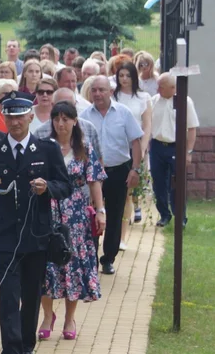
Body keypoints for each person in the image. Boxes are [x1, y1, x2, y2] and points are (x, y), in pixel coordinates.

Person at [0, 92, 71, 354]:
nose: (15, 121)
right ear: (4, 117)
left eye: (20, 115)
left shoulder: (47, 149)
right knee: (9, 297)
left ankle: (27, 345)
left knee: (31, 293)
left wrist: (47, 187)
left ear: (30, 116)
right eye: (10, 115)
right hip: (3, 238)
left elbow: (65, 186)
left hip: (36, 235)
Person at [38, 103, 105, 341]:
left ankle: (69, 318)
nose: (61, 123)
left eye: (66, 118)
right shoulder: (45, 147)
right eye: (56, 118)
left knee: (73, 264)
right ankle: (47, 316)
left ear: (75, 121)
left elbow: (95, 180)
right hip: (48, 209)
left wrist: (100, 210)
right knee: (47, 265)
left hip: (76, 214)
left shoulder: (84, 148)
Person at [81, 77, 143, 275]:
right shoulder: (84, 116)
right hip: (92, 175)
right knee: (92, 215)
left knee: (115, 216)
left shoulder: (123, 113)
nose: (97, 94)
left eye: (101, 90)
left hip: (118, 171)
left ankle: (108, 258)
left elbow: (136, 142)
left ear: (110, 91)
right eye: (94, 90)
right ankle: (90, 258)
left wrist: (135, 169)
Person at [149, 72, 198, 226]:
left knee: (177, 183)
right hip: (157, 146)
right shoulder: (154, 101)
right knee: (158, 183)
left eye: (161, 87)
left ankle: (180, 217)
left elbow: (191, 128)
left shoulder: (184, 101)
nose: (157, 90)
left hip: (176, 147)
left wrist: (188, 152)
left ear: (172, 88)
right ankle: (164, 214)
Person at [113, 61, 152, 227]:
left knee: (132, 185)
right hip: (117, 146)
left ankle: (130, 214)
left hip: (135, 146)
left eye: (128, 75)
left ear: (134, 77)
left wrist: (143, 148)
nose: (124, 79)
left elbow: (147, 124)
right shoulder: (113, 97)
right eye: (121, 75)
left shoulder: (143, 98)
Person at [33, 88, 103, 162]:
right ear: (53, 105)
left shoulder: (89, 129)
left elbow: (98, 161)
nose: (60, 124)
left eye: (69, 106)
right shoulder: (40, 133)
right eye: (60, 105)